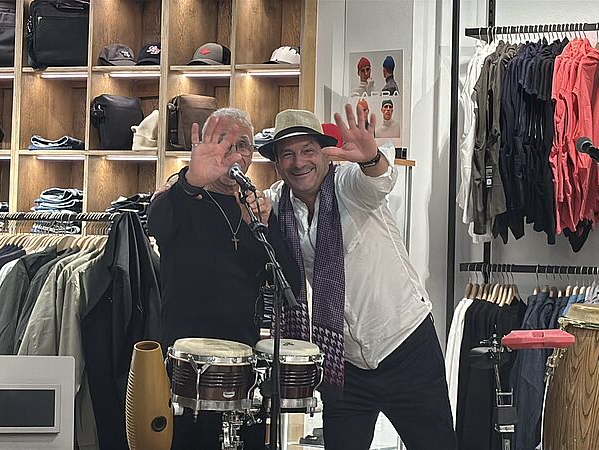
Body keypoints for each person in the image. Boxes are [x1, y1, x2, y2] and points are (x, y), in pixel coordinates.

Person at [257, 105, 457, 450]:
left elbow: (378, 182)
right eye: (287, 154)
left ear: (325, 153)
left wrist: (371, 159)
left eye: (308, 150)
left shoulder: (348, 183)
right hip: (344, 363)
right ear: (277, 163)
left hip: (405, 347)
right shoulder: (277, 203)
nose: (299, 162)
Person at [147, 108, 300, 450]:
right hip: (183, 363)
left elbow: (288, 278)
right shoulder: (182, 193)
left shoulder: (256, 208)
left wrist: (264, 225)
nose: (234, 153)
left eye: (243, 145)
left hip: (241, 363)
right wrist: (191, 180)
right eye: (223, 143)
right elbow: (156, 222)